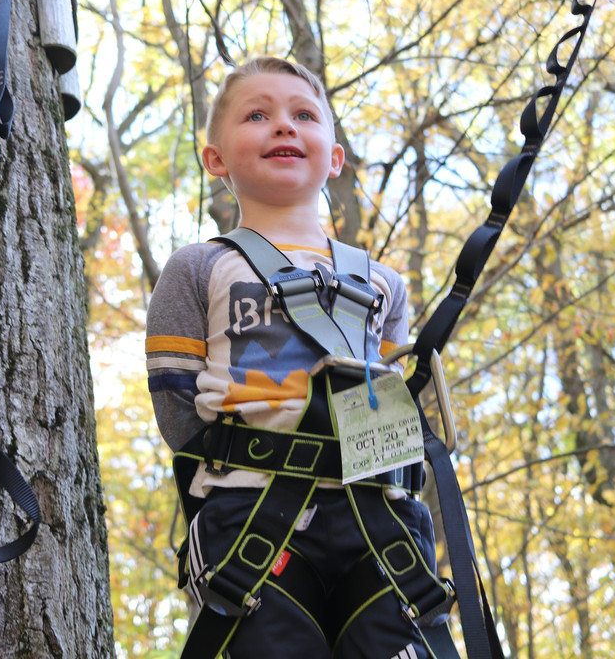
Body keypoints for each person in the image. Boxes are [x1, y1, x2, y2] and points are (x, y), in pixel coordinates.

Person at [146, 56, 445, 658]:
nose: (283, 126)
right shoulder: (198, 267)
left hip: (378, 519)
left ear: (334, 157)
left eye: (303, 115)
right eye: (258, 115)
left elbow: (396, 410)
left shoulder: (381, 284)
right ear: (216, 160)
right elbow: (177, 406)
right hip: (248, 511)